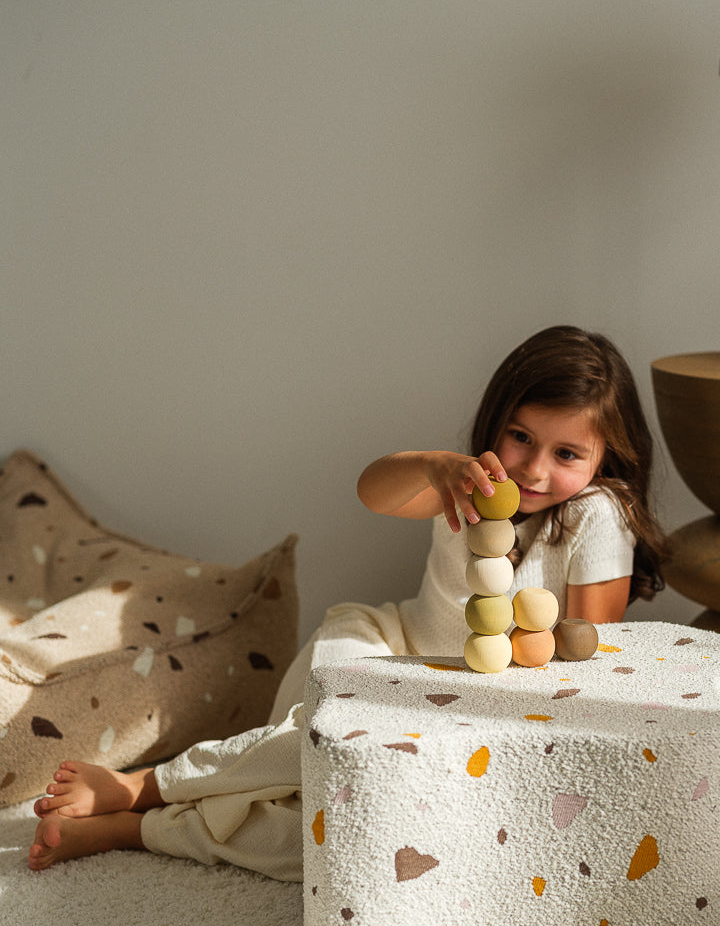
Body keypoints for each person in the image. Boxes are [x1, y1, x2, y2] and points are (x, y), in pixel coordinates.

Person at [28, 325, 668, 877]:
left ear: (608, 456)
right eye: (521, 436)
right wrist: (435, 468)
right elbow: (372, 490)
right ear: (496, 422)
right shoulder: (469, 485)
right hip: (387, 647)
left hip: (461, 708)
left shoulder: (598, 516)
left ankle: (137, 830)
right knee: (320, 731)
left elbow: (589, 642)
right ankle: (142, 788)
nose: (532, 469)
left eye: (566, 454)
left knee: (348, 834)